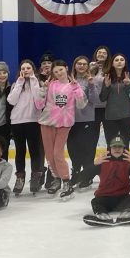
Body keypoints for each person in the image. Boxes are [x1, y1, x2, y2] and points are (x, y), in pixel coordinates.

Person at [35, 59, 86, 199]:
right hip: (47, 122)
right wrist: (43, 89)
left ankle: (66, 182)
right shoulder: (50, 85)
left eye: (61, 70)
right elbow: (39, 105)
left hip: (64, 123)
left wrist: (77, 89)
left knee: (58, 154)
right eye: (55, 71)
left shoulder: (74, 86)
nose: (58, 73)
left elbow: (81, 105)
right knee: (50, 155)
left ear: (66, 68)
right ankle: (56, 179)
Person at [83, 135, 130, 226]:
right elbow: (83, 178)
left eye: (120, 146)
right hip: (104, 199)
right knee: (95, 201)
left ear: (124, 148)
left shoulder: (128, 162)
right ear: (110, 148)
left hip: (122, 200)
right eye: (114, 146)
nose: (117, 149)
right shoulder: (103, 161)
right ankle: (102, 216)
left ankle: (126, 214)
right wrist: (94, 164)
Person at [7, 60, 45, 195]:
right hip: (17, 122)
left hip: (33, 121)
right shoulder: (16, 84)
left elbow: (39, 103)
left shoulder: (39, 84)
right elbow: (11, 100)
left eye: (28, 67)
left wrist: (34, 81)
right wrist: (19, 83)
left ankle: (35, 176)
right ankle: (20, 177)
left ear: (33, 69)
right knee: (20, 151)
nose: (26, 70)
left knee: (35, 151)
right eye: (23, 68)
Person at [69, 56, 103, 189]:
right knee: (73, 148)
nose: (82, 66)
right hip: (70, 120)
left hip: (87, 119)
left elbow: (95, 101)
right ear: (75, 65)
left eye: (84, 64)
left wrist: (91, 84)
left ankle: (87, 175)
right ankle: (76, 172)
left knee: (88, 149)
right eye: (79, 63)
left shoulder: (91, 80)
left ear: (88, 67)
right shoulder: (69, 80)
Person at [99, 53, 130, 145]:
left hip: (126, 116)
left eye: (122, 60)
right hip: (110, 117)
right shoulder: (107, 78)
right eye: (116, 60)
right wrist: (107, 86)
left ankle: (125, 160)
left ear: (125, 63)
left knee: (125, 145)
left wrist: (127, 85)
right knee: (111, 145)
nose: (119, 62)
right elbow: (102, 98)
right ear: (112, 64)